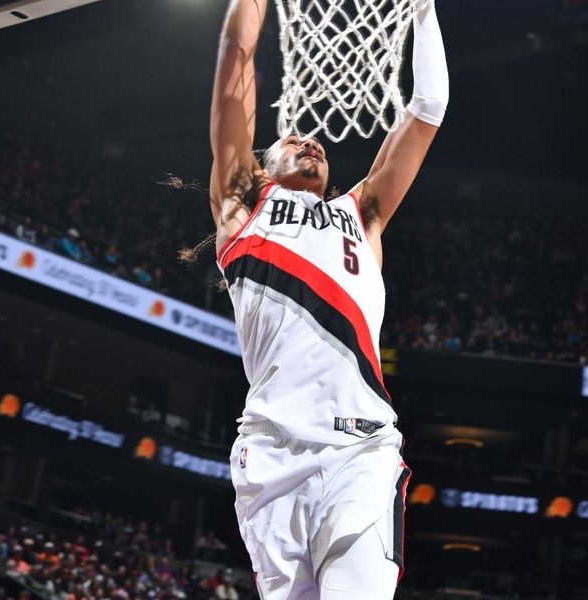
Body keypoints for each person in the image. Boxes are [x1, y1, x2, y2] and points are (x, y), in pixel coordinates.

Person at [207, 0, 448, 598]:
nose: (310, 141)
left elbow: (428, 108)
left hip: (360, 446)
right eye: (293, 139)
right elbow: (236, 57)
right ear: (261, 165)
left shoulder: (360, 214)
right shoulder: (244, 205)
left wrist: (423, 14)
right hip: (269, 450)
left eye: (317, 143)